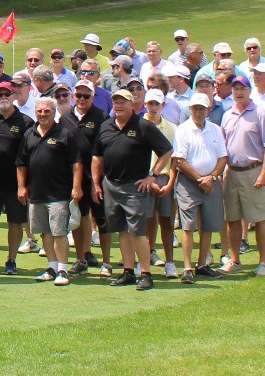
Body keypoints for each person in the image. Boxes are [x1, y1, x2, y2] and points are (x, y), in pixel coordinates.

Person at [94, 87, 173, 291]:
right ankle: (128, 271)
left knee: (138, 231)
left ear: (132, 105)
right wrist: (96, 182)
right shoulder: (106, 126)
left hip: (134, 185)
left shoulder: (143, 126)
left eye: (123, 102)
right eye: (116, 102)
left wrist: (153, 175)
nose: (119, 106)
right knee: (121, 229)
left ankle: (145, 273)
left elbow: (166, 151)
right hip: (111, 183)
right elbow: (98, 156)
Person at [17, 96, 82, 285]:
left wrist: (76, 188)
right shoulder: (29, 134)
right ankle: (52, 267)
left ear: (54, 112)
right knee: (45, 232)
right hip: (36, 193)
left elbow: (76, 164)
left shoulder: (65, 134)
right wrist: (21, 186)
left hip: (59, 193)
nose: (43, 114)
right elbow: (21, 163)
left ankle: (63, 270)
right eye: (40, 111)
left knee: (59, 232)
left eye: (47, 111)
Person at [220, 76, 265, 276]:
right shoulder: (228, 115)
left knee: (259, 218)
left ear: (249, 90)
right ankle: (235, 260)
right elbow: (224, 147)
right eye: (235, 88)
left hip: (253, 171)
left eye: (242, 88)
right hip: (232, 172)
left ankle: (263, 262)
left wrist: (264, 174)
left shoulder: (260, 112)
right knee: (232, 219)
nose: (238, 92)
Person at [172, 94, 229, 284]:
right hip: (189, 183)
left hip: (211, 181)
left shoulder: (215, 129)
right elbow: (180, 160)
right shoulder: (183, 130)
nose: (198, 112)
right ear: (190, 109)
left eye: (201, 109)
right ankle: (187, 267)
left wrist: (211, 178)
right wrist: (200, 179)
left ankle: (202, 264)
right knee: (188, 226)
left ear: (208, 110)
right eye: (195, 108)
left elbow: (223, 157)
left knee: (208, 225)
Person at [0, 81, 35, 274]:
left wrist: (26, 185)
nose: (4, 98)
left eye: (7, 94)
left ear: (14, 96)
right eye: (0, 95)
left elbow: (30, 153)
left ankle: (11, 260)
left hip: (16, 184)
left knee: (15, 222)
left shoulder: (26, 122)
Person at [61, 79, 112, 276]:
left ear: (92, 97)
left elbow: (104, 149)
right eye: (79, 95)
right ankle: (81, 258)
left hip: (97, 176)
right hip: (75, 175)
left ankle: (106, 262)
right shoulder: (66, 116)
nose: (82, 99)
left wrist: (98, 179)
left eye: (86, 96)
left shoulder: (101, 117)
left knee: (102, 219)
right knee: (79, 217)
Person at [141, 89, 179, 277]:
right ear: (145, 105)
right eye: (150, 104)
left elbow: (174, 160)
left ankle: (170, 262)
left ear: (163, 106)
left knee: (166, 221)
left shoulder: (172, 128)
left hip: (165, 179)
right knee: (145, 222)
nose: (153, 108)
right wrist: (149, 179)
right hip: (143, 179)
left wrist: (170, 183)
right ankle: (145, 258)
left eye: (157, 104)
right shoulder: (138, 125)